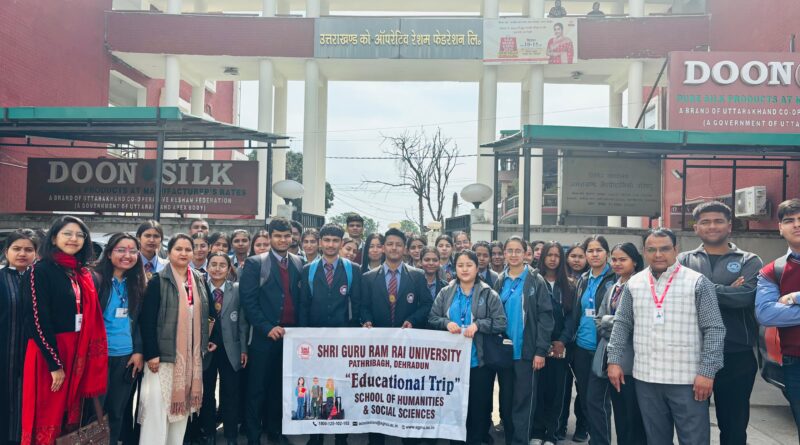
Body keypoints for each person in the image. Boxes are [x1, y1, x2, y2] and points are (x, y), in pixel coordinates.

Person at [607, 228, 725, 445]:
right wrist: (614, 360)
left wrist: (707, 372)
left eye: (664, 249)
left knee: (694, 440)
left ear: (676, 250)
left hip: (687, 381)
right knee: (656, 440)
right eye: (652, 249)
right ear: (644, 251)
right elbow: (622, 324)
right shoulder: (634, 283)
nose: (658, 254)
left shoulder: (697, 282)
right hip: (646, 378)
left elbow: (714, 329)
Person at [678, 201, 763, 445]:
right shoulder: (684, 260)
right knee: (692, 425)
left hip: (736, 354)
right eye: (705, 221)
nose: (712, 226)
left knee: (734, 427)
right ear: (696, 228)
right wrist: (727, 290)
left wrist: (700, 288)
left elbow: (746, 297)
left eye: (718, 221)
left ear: (729, 226)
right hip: (692, 353)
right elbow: (678, 297)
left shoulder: (749, 260)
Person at [20, 215, 108, 445]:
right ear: (54, 237)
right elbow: (37, 319)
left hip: (76, 352)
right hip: (49, 354)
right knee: (46, 413)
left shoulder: (81, 273)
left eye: (80, 235)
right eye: (67, 233)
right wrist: (54, 364)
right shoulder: (39, 270)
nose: (74, 239)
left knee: (70, 416)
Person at [139, 233, 217, 444]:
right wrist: (152, 353)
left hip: (190, 359)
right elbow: (147, 321)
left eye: (188, 249)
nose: (184, 253)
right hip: (162, 359)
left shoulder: (199, 280)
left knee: (180, 415)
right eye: (178, 249)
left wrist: (211, 337)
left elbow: (211, 313)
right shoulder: (158, 281)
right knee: (158, 412)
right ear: (169, 252)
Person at [361, 228, 433, 445]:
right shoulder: (368, 278)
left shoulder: (418, 276)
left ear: (405, 249)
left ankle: (408, 439)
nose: (394, 248)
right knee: (378, 394)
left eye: (398, 244)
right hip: (378, 351)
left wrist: (413, 320)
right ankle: (377, 439)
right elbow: (363, 307)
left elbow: (427, 305)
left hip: (406, 349)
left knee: (404, 394)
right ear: (383, 248)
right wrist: (366, 321)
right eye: (389, 244)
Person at [429, 250, 508, 445]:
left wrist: (479, 325)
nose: (464, 269)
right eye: (460, 265)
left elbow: (500, 322)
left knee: (479, 410)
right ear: (454, 268)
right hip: (452, 365)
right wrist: (445, 323)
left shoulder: (489, 293)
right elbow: (432, 318)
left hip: (479, 363)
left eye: (469, 265)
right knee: (455, 410)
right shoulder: (446, 292)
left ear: (477, 267)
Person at [239, 217, 303, 445]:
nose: (283, 240)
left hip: (290, 338)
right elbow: (248, 301)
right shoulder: (256, 263)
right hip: (264, 338)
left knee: (281, 388)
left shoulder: (298, 262)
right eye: (278, 236)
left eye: (287, 236)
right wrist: (267, 327)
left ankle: (276, 432)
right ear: (269, 236)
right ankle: (254, 437)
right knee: (257, 389)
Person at [300, 223, 362, 445]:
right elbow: (303, 306)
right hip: (315, 340)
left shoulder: (352, 269)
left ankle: (340, 436)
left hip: (342, 339)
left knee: (341, 386)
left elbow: (358, 303)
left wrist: (356, 334)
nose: (330, 245)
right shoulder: (309, 269)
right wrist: (303, 337)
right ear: (319, 242)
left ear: (341, 243)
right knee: (315, 386)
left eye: (335, 241)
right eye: (326, 240)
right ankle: (315, 435)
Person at [493, 237, 554, 445]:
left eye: (518, 250)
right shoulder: (500, 280)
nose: (513, 254)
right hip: (504, 353)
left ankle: (521, 441)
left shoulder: (536, 280)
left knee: (524, 401)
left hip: (527, 352)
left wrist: (540, 350)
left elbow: (546, 317)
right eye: (509, 250)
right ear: (503, 253)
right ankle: (510, 439)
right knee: (507, 400)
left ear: (525, 253)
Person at [93, 233, 147, 445]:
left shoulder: (138, 283)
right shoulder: (95, 280)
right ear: (108, 254)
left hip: (125, 358)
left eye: (133, 251)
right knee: (94, 413)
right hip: (97, 357)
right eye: (121, 250)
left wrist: (138, 350)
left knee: (117, 412)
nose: (128, 255)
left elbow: (140, 322)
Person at [592, 243, 646, 445]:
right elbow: (598, 320)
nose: (617, 263)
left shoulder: (641, 285)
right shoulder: (614, 287)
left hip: (633, 362)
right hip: (612, 359)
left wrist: (612, 322)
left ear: (634, 261)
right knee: (620, 415)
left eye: (622, 259)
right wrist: (615, 323)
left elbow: (636, 323)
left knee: (634, 416)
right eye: (614, 259)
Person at [755, 198, 800, 434]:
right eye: (789, 220)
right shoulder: (773, 270)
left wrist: (794, 297)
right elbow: (766, 313)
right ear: (780, 228)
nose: (797, 225)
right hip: (795, 362)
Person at [200, 252, 249, 445]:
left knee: (230, 392)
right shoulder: (200, 288)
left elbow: (243, 323)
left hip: (231, 349)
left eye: (222, 265)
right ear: (207, 266)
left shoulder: (236, 289)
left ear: (229, 268)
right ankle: (209, 431)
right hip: (207, 349)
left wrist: (244, 349)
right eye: (213, 264)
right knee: (207, 392)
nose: (217, 268)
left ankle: (230, 434)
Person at [571, 235, 616, 445]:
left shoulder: (615, 278)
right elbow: (577, 313)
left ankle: (600, 441)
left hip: (603, 347)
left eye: (599, 250)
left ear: (607, 253)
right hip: (582, 346)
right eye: (590, 251)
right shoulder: (584, 279)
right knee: (587, 398)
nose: (594, 254)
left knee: (598, 401)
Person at [531, 242, 575, 445]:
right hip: (538, 344)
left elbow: (572, 317)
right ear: (543, 257)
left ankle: (551, 434)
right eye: (549, 254)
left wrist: (563, 341)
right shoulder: (533, 281)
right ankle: (537, 432)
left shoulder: (570, 285)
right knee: (538, 390)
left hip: (559, 345)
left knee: (557, 391)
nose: (553, 259)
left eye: (557, 255)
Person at [0, 229, 38, 445]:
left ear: (36, 253)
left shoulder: (38, 281)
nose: (22, 253)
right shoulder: (1, 278)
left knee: (27, 401)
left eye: (28, 249)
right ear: (7, 252)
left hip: (32, 357)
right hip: (4, 354)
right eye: (17, 249)